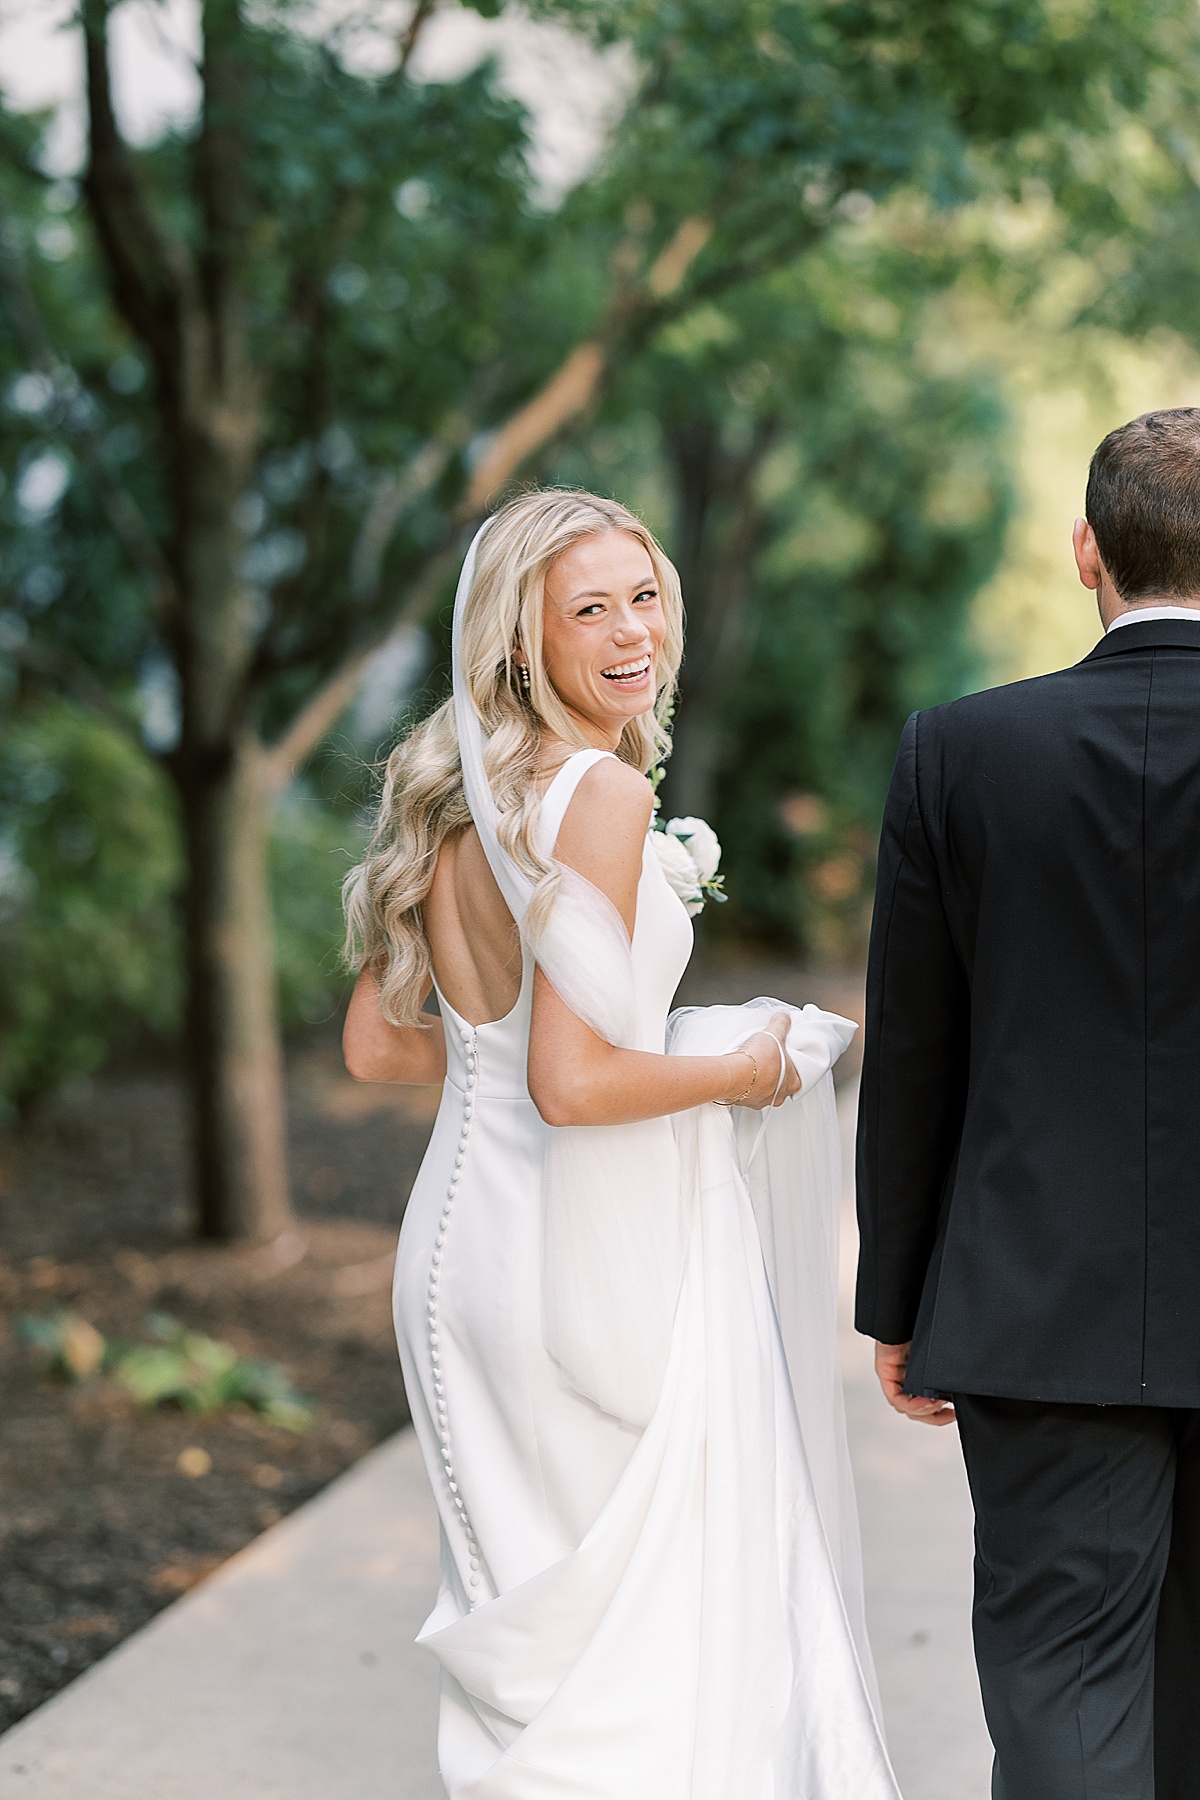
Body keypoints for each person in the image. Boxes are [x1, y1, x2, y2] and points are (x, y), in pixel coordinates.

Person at [342, 489, 901, 1798]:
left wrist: (545, 1045)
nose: (635, 629)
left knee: (535, 1641)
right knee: (643, 1644)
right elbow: (575, 1084)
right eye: (589, 609)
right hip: (587, 1261)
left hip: (455, 1262)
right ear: (521, 640)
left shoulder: (449, 792)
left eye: (644, 594)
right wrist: (745, 1066)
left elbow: (385, 1049)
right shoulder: (595, 791)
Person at [856, 407, 1200, 1797]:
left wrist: (900, 1299)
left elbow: (918, 1049)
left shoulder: (960, 752)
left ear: (1085, 555)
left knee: (1065, 1689)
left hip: (1037, 1310)